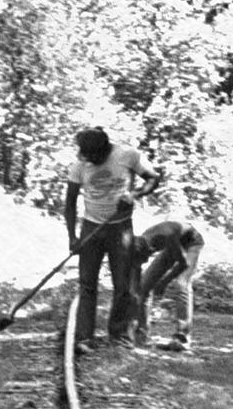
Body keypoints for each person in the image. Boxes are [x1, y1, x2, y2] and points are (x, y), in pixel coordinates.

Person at [63, 126, 158, 349]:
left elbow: (153, 178)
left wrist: (134, 195)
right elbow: (69, 202)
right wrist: (72, 237)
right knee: (87, 285)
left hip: (120, 228)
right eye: (87, 155)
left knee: (123, 284)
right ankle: (85, 337)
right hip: (91, 227)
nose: (90, 160)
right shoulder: (79, 165)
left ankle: (120, 337)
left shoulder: (128, 155)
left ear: (105, 150)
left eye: (95, 156)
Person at [129, 216, 205, 351]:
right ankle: (142, 335)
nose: (145, 262)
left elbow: (184, 264)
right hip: (174, 245)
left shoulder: (165, 236)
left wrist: (163, 282)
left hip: (192, 242)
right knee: (144, 285)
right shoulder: (139, 244)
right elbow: (137, 281)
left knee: (182, 283)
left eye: (144, 260)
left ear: (146, 251)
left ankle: (182, 338)